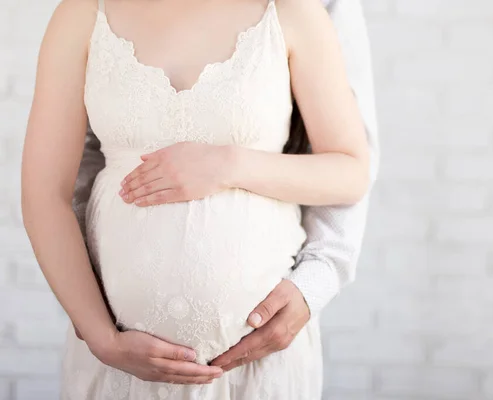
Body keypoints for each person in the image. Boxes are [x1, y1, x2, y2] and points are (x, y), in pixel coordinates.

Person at [21, 0, 378, 398]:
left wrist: (228, 165)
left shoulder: (294, 11)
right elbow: (45, 193)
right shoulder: (83, 12)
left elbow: (350, 171)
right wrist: (102, 338)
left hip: (257, 369)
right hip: (120, 364)